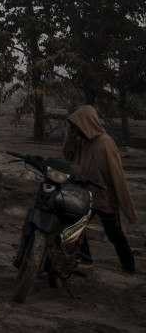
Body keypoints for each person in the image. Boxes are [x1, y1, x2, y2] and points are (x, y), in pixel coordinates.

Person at [65, 105, 137, 273]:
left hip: (104, 197)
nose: (76, 129)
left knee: (114, 234)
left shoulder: (105, 143)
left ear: (87, 123)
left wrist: (127, 208)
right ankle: (86, 258)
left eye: (77, 126)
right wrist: (70, 137)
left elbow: (117, 176)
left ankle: (129, 266)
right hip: (84, 194)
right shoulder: (81, 142)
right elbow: (67, 156)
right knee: (76, 226)